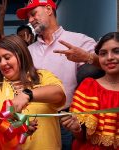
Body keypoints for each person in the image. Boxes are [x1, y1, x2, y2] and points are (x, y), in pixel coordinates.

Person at [16, 0, 99, 149]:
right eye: (28, 17)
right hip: (36, 121)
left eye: (33, 14)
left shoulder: (79, 41)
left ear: (49, 9)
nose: (30, 20)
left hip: (67, 121)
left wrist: (87, 57)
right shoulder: (29, 51)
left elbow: (109, 67)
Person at [0, 35, 66, 149]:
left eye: (7, 57)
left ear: (21, 55)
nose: (2, 63)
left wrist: (27, 94)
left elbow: (58, 94)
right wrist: (15, 127)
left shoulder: (42, 76)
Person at [60, 32, 119, 150]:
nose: (109, 57)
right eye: (103, 54)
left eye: (116, 51)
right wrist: (76, 129)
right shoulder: (89, 88)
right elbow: (81, 138)